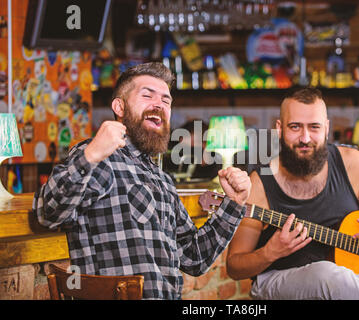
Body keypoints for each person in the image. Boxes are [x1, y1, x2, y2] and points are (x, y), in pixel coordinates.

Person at [33, 62, 251, 300]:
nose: (159, 104)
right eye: (147, 95)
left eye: (166, 100)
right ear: (120, 106)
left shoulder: (163, 180)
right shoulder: (100, 158)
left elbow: (194, 259)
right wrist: (90, 155)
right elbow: (48, 212)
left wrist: (234, 203)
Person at [226, 87, 359, 300]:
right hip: (275, 279)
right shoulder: (260, 183)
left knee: (340, 278)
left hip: (347, 279)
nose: (305, 138)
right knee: (325, 274)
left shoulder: (352, 164)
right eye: (295, 127)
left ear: (326, 128)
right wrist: (269, 252)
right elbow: (235, 267)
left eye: (314, 127)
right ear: (280, 129)